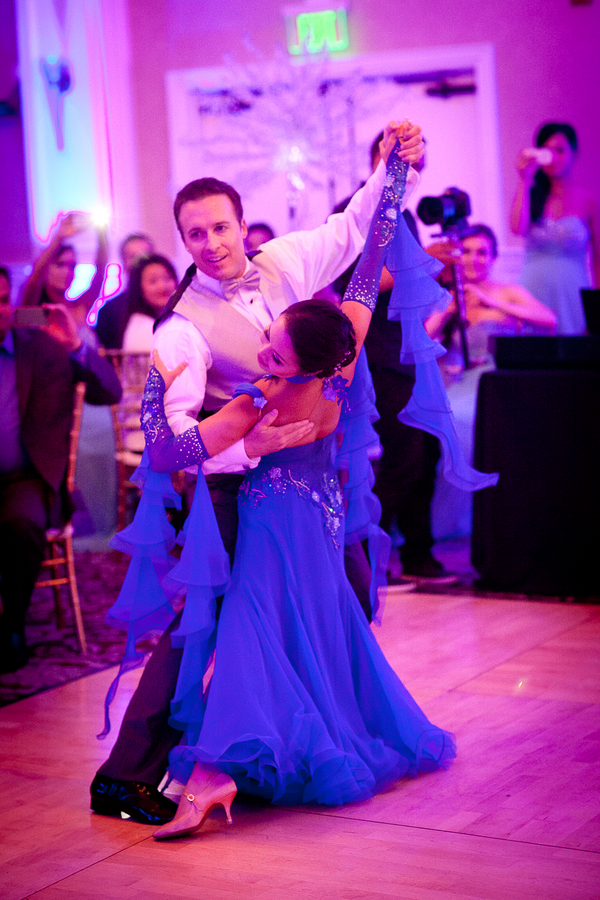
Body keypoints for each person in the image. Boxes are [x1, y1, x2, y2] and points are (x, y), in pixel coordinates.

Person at [115, 137, 457, 840]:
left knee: (280, 624)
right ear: (182, 238)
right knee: (234, 626)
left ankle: (238, 764)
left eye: (219, 227)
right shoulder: (192, 329)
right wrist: (394, 179)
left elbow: (354, 234)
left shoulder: (274, 327)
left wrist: (393, 171)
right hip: (258, 500)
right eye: (194, 233)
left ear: (243, 225)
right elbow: (365, 272)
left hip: (284, 504)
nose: (208, 243)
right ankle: (136, 772)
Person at [333, 131, 457, 585]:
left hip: (408, 346)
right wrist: (423, 262)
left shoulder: (404, 212)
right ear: (376, 161)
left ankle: (419, 555)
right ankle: (367, 559)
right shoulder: (353, 211)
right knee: (403, 453)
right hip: (374, 351)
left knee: (426, 449)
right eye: (395, 158)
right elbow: (354, 284)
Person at [0, 267, 121, 673]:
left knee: (20, 524)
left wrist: (75, 346)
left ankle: (11, 626)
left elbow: (110, 391)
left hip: (25, 478)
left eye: (2, 300)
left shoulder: (42, 346)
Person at [425, 224, 557, 538]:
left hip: (501, 379)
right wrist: (449, 310)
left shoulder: (506, 291)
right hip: (460, 381)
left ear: (494, 257)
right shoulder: (444, 295)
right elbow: (423, 338)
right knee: (446, 424)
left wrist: (490, 302)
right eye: (467, 251)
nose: (475, 259)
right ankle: (448, 522)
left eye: (482, 252)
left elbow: (549, 320)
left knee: (467, 419)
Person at [510, 122, 600, 335]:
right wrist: (524, 179)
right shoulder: (532, 195)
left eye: (560, 150)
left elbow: (598, 258)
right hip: (533, 287)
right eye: (546, 150)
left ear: (573, 154)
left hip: (574, 290)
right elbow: (517, 228)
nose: (553, 157)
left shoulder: (588, 202)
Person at [20, 212, 108, 333]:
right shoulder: (36, 311)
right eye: (60, 265)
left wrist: (102, 233)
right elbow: (34, 280)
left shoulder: (78, 308)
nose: (67, 272)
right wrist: (58, 239)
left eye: (72, 266)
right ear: (47, 268)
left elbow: (99, 276)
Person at [94, 232, 156, 349]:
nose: (140, 262)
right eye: (133, 257)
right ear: (123, 263)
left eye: (145, 255)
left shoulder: (170, 303)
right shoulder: (109, 311)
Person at [121, 254, 178, 352]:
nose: (162, 286)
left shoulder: (167, 321)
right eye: (153, 281)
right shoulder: (143, 329)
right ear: (138, 288)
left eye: (167, 278)